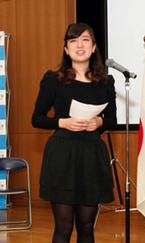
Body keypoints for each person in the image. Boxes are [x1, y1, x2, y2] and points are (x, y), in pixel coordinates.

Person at [32, 23, 117, 243]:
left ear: (94, 47)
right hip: (62, 156)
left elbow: (113, 121)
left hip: (92, 157)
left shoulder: (106, 82)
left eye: (85, 39)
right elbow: (37, 118)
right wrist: (63, 122)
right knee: (64, 226)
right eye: (73, 40)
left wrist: (99, 121)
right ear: (66, 49)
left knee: (87, 226)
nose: (79, 45)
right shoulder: (54, 80)